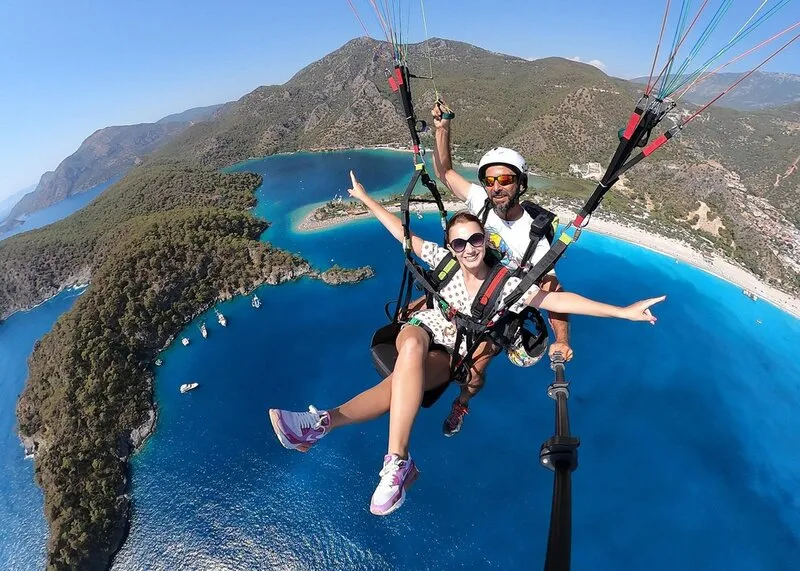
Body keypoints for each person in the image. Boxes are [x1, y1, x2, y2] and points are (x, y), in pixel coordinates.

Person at [269, 171, 665, 517]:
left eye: (475, 240)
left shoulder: (506, 284)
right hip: (424, 330)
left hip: (455, 351)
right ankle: (396, 461)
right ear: (451, 246)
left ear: (485, 240)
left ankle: (321, 424)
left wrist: (622, 311)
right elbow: (401, 233)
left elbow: (559, 300)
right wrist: (366, 199)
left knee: (398, 388)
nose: (469, 249)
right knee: (410, 349)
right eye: (459, 243)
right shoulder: (444, 262)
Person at [430, 101, 572, 436]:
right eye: (489, 179)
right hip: (466, 283)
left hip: (501, 306)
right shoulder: (481, 202)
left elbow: (552, 289)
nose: (496, 187)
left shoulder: (534, 235)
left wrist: (561, 339)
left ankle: (462, 403)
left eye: (505, 179)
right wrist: (442, 128)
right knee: (410, 315)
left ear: (520, 183)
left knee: (476, 370)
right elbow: (446, 173)